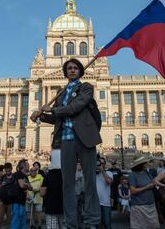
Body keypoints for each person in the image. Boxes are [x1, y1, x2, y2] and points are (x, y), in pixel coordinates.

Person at [30, 58, 102, 229]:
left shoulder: (86, 87)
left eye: (75, 68)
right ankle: (71, 223)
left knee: (90, 181)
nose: (72, 70)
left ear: (80, 71)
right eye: (69, 68)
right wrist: (39, 116)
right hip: (66, 140)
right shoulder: (61, 94)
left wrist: (52, 109)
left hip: (85, 138)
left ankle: (92, 221)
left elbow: (75, 107)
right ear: (65, 72)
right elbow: (57, 118)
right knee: (67, 184)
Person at [128, 156, 159, 229]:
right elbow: (133, 191)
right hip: (139, 207)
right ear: (141, 164)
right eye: (145, 162)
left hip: (151, 205)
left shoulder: (146, 172)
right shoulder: (133, 175)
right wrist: (147, 187)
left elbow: (153, 182)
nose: (147, 163)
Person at [41, 146, 63, 229]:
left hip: (51, 208)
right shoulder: (67, 175)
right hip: (64, 208)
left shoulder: (48, 175)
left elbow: (42, 193)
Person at [11, 159, 33, 229]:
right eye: (27, 164)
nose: (29, 165)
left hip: (22, 202)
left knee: (22, 221)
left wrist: (25, 184)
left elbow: (31, 188)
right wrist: (26, 185)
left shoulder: (25, 176)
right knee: (16, 220)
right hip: (16, 201)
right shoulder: (18, 174)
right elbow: (22, 185)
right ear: (23, 166)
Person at [0, 163, 13, 229]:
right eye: (6, 170)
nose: (8, 172)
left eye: (9, 170)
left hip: (11, 202)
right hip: (2, 201)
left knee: (9, 220)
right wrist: (2, 185)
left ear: (11, 169)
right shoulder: (2, 177)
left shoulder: (14, 177)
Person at [96, 158, 113, 229]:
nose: (100, 165)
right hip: (95, 203)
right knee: (97, 224)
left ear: (104, 164)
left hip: (105, 203)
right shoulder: (93, 174)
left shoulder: (109, 173)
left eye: (102, 163)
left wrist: (102, 170)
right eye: (99, 163)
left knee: (107, 223)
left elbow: (109, 181)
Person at [75, 162, 84, 226]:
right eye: (78, 165)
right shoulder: (74, 172)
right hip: (75, 194)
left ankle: (80, 224)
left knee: (80, 211)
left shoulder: (84, 172)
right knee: (75, 210)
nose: (79, 166)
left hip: (83, 193)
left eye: (80, 165)